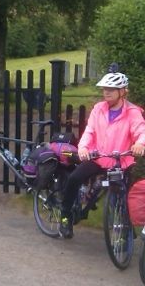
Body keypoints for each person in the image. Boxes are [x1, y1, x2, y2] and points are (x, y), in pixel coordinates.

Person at [58, 69, 145, 238]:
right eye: (105, 88)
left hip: (120, 161)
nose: (106, 92)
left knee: (124, 193)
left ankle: (126, 227)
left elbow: (141, 130)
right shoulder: (99, 109)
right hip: (97, 158)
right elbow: (89, 131)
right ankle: (65, 216)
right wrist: (83, 148)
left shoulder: (132, 112)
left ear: (122, 92)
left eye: (111, 89)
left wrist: (140, 143)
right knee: (75, 178)